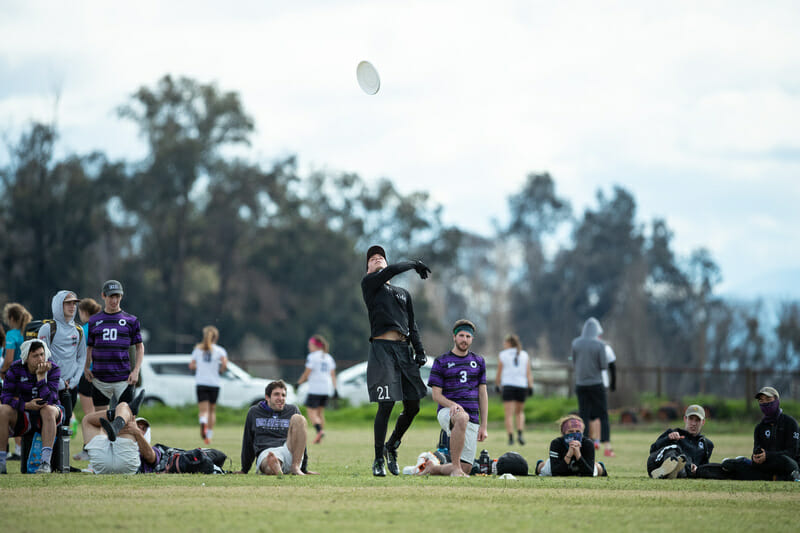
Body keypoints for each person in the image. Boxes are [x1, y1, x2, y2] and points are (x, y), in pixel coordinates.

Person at [361, 245, 431, 476]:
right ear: (369, 267)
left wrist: (419, 350)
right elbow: (390, 272)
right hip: (382, 350)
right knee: (387, 404)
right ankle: (378, 459)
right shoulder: (370, 284)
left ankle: (392, 445)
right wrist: (413, 264)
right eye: (372, 258)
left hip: (403, 350)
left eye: (380, 256)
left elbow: (412, 325)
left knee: (413, 406)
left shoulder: (403, 293)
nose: (376, 258)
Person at [418, 319, 488, 477]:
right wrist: (452, 405)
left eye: (468, 337)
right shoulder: (441, 361)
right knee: (461, 417)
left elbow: (483, 394)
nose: (464, 339)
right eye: (461, 336)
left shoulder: (478, 362)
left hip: (473, 417)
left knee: (467, 468)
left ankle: (433, 468)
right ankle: (455, 468)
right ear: (454, 337)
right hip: (447, 412)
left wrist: (483, 425)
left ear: (472, 339)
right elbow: (436, 395)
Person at [0, 339, 64, 474]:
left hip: (51, 413)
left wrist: (41, 378)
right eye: (35, 356)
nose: (40, 359)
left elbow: (51, 399)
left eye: (42, 354)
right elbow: (5, 397)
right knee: (2, 410)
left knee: (47, 410)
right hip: (25, 412)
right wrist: (26, 405)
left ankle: (45, 463)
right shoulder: (16, 368)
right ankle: (1, 462)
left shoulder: (53, 368)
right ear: (26, 358)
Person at [85, 280, 144, 412]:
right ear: (103, 296)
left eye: (117, 296)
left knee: (127, 419)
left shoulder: (131, 320)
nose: (114, 300)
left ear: (121, 296)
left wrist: (136, 371)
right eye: (111, 296)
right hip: (99, 379)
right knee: (100, 419)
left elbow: (139, 347)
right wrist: (86, 367)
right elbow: (90, 347)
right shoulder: (94, 320)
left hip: (123, 379)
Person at [721, 386, 800, 481]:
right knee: (730, 465)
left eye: (768, 399)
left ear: (777, 400)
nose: (765, 403)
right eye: (761, 401)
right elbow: (757, 451)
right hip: (767, 466)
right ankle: (775, 477)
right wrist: (756, 458)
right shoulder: (759, 427)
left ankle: (783, 476)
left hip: (786, 463)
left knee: (785, 461)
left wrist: (768, 455)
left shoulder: (790, 423)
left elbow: (792, 452)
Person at [239, 380, 314, 476]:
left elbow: (301, 441)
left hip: (289, 450)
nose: (281, 398)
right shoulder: (254, 412)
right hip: (266, 452)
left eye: (283, 395)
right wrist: (244, 469)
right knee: (268, 464)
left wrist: (304, 468)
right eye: (276, 395)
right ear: (267, 397)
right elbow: (248, 441)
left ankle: (295, 467)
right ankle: (275, 467)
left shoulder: (292, 410)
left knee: (299, 419)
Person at [38, 290, 87, 434]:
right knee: (49, 425)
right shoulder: (47, 328)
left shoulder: (79, 330)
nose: (72, 306)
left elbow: (81, 357)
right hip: (51, 386)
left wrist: (74, 380)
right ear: (59, 305)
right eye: (68, 303)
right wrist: (57, 380)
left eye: (74, 303)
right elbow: (44, 357)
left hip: (70, 387)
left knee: (65, 426)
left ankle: (61, 456)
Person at [571, 317, 614, 457]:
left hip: (581, 384)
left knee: (584, 415)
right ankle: (607, 446)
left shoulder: (576, 343)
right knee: (603, 415)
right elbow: (603, 366)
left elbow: (574, 361)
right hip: (596, 384)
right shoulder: (600, 345)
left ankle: (582, 445)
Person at [81, 393, 146, 474]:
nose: (141, 429)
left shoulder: (143, 438)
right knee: (123, 408)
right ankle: (123, 416)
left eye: (143, 429)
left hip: (102, 464)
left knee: (86, 420)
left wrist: (137, 432)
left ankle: (122, 415)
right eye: (140, 426)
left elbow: (151, 456)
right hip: (127, 462)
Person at [647, 405, 714, 479]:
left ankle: (673, 472)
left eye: (697, 420)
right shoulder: (673, 433)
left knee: (715, 468)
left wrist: (696, 469)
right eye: (691, 419)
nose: (693, 423)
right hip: (656, 465)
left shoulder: (707, 444)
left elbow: (704, 465)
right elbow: (653, 450)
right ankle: (667, 469)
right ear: (685, 419)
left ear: (703, 422)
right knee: (675, 449)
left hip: (686, 471)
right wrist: (668, 438)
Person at [73, 297, 102, 461]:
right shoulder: (101, 325)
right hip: (102, 373)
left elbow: (83, 353)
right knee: (101, 413)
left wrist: (82, 370)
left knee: (89, 415)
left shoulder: (83, 329)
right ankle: (100, 447)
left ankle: (88, 449)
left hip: (87, 374)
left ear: (84, 312)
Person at [189, 325, 228, 445]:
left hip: (201, 383)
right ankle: (208, 437)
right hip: (214, 383)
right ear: (216, 337)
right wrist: (220, 370)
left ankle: (202, 421)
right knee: (212, 410)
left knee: (203, 410)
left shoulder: (197, 350)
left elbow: (192, 366)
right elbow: (225, 366)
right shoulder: (220, 351)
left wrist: (199, 367)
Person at [535, 414, 607, 477]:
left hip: (582, 465)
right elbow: (555, 473)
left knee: (597, 468)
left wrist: (578, 454)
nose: (575, 434)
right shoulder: (556, 443)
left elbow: (589, 473)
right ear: (563, 433)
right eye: (570, 431)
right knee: (543, 467)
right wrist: (569, 454)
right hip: (560, 464)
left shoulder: (588, 443)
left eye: (578, 431)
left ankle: (599, 465)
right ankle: (540, 464)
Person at [296, 334, 336, 444]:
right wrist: (335, 389)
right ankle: (320, 437)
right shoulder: (328, 357)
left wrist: (299, 383)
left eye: (310, 344)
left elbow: (307, 373)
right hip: (327, 388)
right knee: (320, 413)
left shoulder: (312, 357)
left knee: (311, 413)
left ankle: (319, 431)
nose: (309, 347)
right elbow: (333, 374)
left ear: (315, 345)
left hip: (315, 388)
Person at [495, 333, 532, 446]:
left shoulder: (503, 355)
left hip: (508, 385)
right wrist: (530, 385)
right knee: (520, 412)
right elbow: (528, 372)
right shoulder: (524, 354)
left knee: (509, 414)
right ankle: (520, 434)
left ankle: (511, 437)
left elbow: (499, 372)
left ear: (509, 343)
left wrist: (497, 384)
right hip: (522, 385)